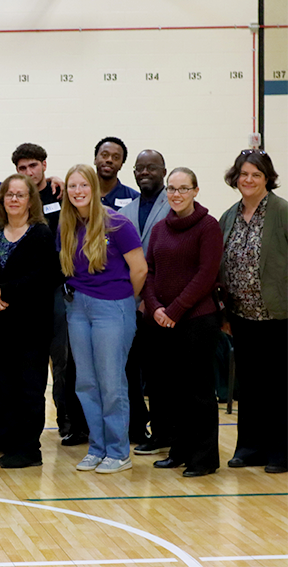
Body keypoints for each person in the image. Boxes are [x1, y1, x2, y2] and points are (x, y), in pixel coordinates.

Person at [59, 164, 147, 474]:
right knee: (86, 382)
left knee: (111, 383)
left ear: (94, 188)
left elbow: (140, 269)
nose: (78, 191)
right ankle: (97, 448)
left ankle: (119, 451)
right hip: (78, 309)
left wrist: (124, 300)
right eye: (72, 186)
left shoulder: (117, 224)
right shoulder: (66, 226)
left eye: (84, 185)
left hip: (113, 307)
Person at [143, 167, 222, 477]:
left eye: (183, 188)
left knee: (198, 392)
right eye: (172, 189)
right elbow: (149, 271)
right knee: (172, 391)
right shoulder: (160, 228)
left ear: (196, 191)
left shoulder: (208, 226)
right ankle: (179, 450)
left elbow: (206, 275)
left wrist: (174, 310)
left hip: (197, 322)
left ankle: (203, 459)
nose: (176, 194)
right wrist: (155, 307)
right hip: (163, 322)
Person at [0, 174, 59, 468]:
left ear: (30, 200)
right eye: (8, 194)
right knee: (3, 386)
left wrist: (3, 291)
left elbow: (43, 277)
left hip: (30, 326)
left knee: (29, 387)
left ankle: (29, 449)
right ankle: (7, 441)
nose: (13, 199)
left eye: (20, 195)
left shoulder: (40, 233)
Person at [219, 149, 288, 474]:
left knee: (278, 385)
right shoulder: (229, 216)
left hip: (278, 317)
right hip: (242, 317)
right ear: (236, 177)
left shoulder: (282, 212)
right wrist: (225, 313)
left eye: (256, 175)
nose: (248, 180)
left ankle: (280, 451)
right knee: (249, 385)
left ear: (267, 179)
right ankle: (249, 448)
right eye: (244, 174)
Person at [12, 142, 86, 445]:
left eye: (34, 166)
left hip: (59, 290)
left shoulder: (60, 194)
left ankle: (68, 422)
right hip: (26, 294)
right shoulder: (16, 198)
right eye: (23, 168)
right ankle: (26, 429)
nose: (29, 172)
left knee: (64, 361)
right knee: (28, 363)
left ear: (44, 164)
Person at [119, 149, 169, 450]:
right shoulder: (127, 211)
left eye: (152, 167)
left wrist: (148, 299)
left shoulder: (173, 205)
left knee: (160, 375)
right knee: (129, 372)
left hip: (162, 305)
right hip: (129, 304)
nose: (145, 172)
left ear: (163, 170)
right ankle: (139, 429)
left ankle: (166, 433)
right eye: (140, 168)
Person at [94, 137, 139, 209]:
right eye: (105, 155)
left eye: (116, 157)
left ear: (121, 164)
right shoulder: (80, 194)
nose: (109, 160)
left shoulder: (135, 199)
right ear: (95, 159)